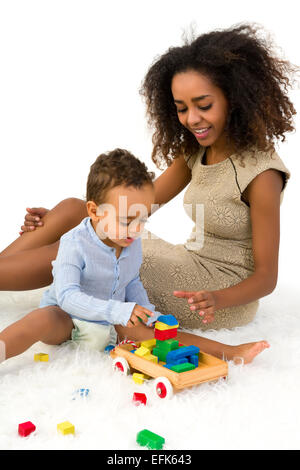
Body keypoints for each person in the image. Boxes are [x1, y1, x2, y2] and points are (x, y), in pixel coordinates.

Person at [1, 24, 297, 332]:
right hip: (187, 259)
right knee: (76, 209)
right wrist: (72, 221)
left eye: (204, 105)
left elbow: (266, 278)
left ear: (234, 98)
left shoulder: (262, 175)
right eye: (182, 108)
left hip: (215, 294)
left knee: (85, 246)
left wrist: (216, 298)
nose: (192, 119)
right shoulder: (197, 150)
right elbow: (139, 203)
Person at [0, 149, 269, 365]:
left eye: (142, 220)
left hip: (109, 324)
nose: (136, 230)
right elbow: (68, 297)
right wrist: (118, 310)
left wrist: (149, 313)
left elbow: (131, 283)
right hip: (68, 318)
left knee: (153, 332)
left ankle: (228, 351)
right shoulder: (74, 243)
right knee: (40, 320)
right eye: (127, 221)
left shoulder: (131, 242)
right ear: (94, 212)